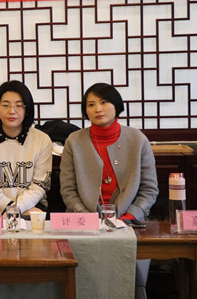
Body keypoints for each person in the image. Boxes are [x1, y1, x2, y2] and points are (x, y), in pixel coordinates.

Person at [60, 83, 158, 299]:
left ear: (117, 105)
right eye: (91, 104)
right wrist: (87, 218)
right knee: (83, 274)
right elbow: (68, 191)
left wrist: (130, 216)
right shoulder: (74, 141)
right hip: (84, 223)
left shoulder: (138, 139)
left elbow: (149, 190)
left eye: (104, 102)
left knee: (126, 271)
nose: (98, 109)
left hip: (129, 223)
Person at [0, 80, 52, 215]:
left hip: (30, 207)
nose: (12, 111)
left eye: (19, 105)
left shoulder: (42, 140)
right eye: (5, 105)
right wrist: (10, 209)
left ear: (27, 109)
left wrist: (17, 208)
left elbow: (39, 187)